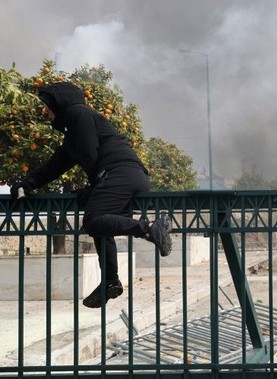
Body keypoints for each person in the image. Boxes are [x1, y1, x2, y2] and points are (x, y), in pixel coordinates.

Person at [10, 81, 172, 308]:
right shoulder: (73, 130)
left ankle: (150, 229)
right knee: (101, 221)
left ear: (59, 101)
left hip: (119, 172)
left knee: (93, 221)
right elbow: (57, 164)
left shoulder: (79, 113)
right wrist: (29, 183)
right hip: (124, 174)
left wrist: (95, 184)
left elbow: (89, 151)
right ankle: (110, 281)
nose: (44, 110)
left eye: (46, 105)